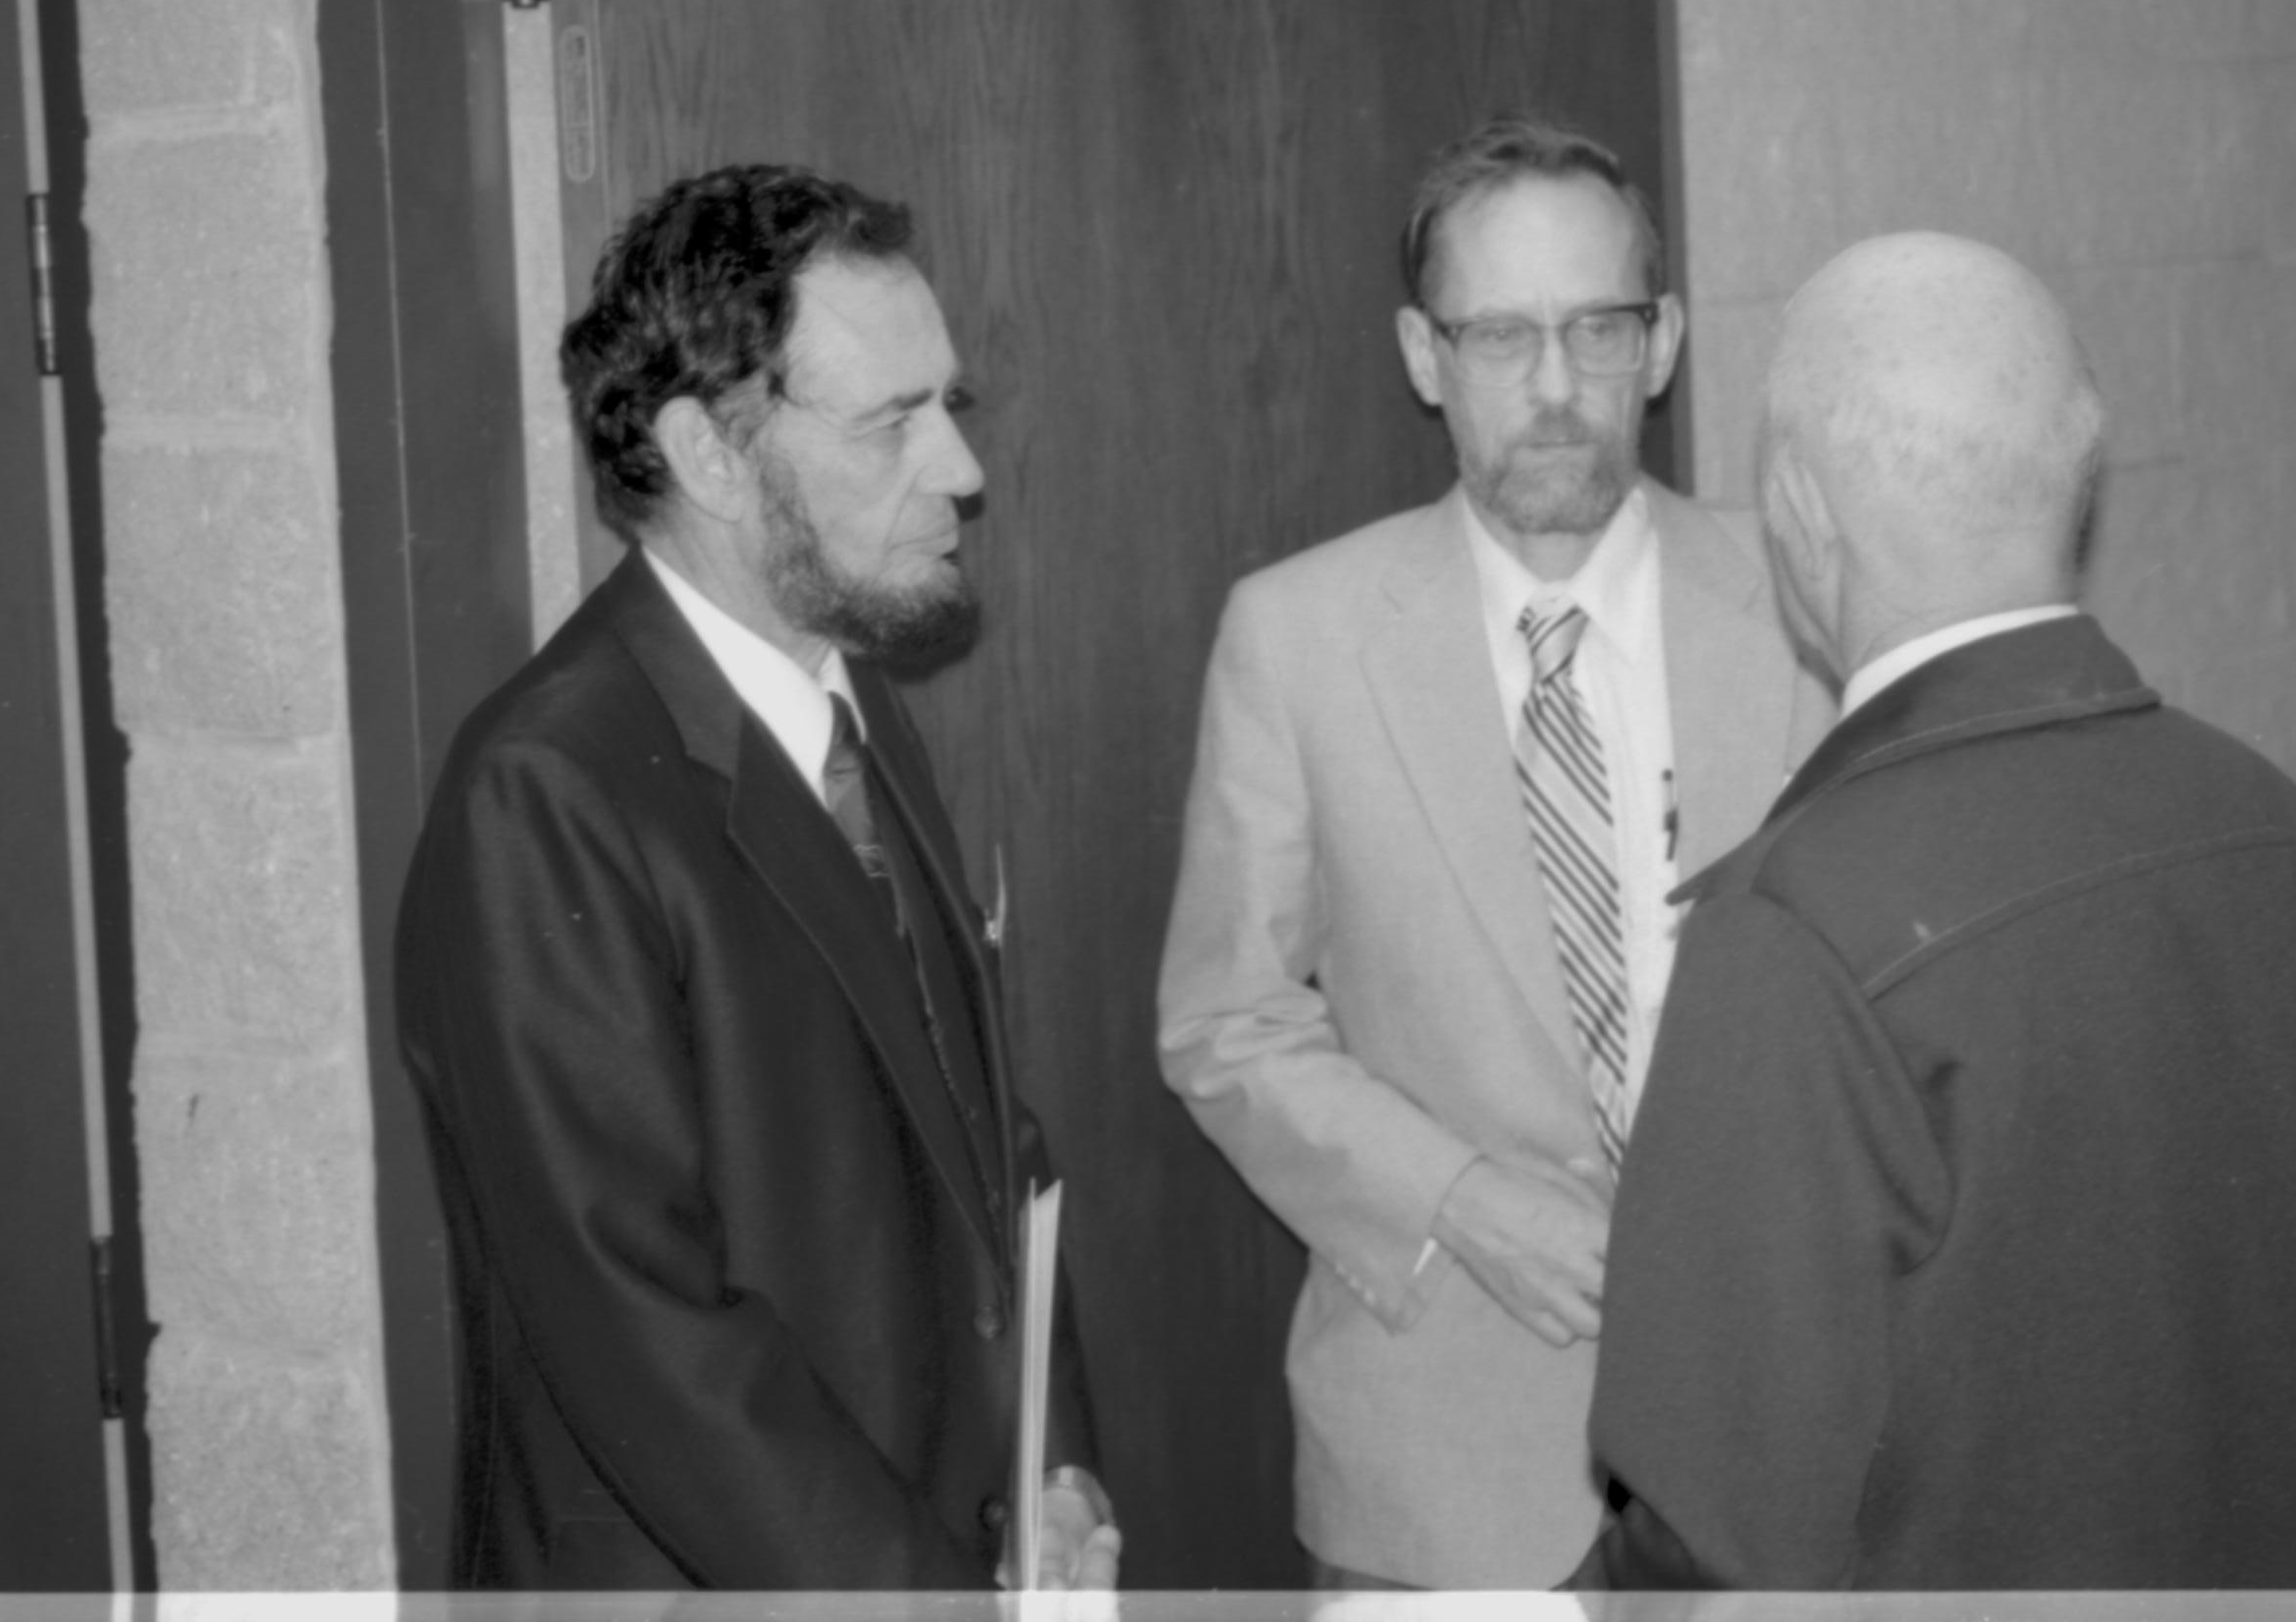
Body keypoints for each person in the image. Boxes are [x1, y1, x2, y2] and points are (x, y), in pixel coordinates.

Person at [1591, 231, 2296, 1589]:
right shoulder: (2279, 829)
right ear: (2072, 490)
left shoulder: (1794, 934)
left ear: (1796, 511)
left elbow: (1709, 1545)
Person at [396, 164, 1117, 1591]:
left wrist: (1059, 1477)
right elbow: (647, 1328)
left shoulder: (847, 702)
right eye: (892, 422)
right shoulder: (544, 790)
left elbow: (986, 1149)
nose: (960, 469)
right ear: (710, 454)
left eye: (948, 408)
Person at [1157, 118, 1825, 1588]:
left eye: (1598, 328)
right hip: (1439, 1465)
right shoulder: (1300, 638)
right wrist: (1461, 1203)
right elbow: (1228, 1025)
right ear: (1421, 354)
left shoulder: (1802, 613)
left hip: (1784, 1450)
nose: (1554, 387)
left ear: (1663, 344)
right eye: (1500, 335)